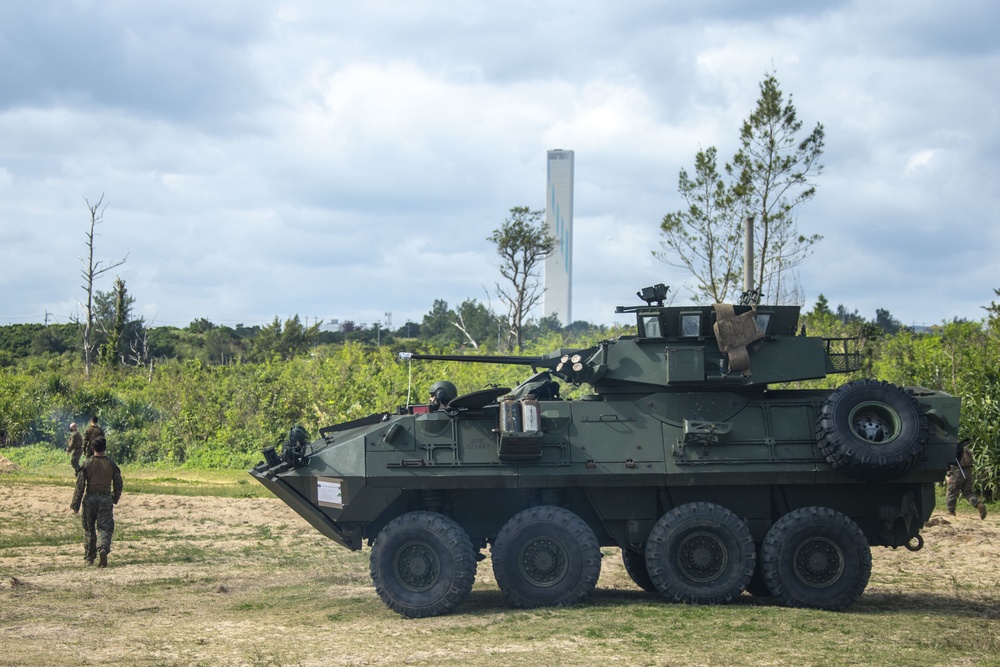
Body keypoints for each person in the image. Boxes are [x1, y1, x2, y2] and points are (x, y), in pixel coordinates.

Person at [70, 436, 123, 567]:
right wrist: (115, 498)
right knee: (104, 527)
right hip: (105, 499)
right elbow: (118, 483)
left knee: (89, 529)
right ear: (105, 448)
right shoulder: (111, 464)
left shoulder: (87, 464)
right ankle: (103, 548)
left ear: (92, 448)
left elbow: (80, 485)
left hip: (90, 499)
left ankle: (89, 557)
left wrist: (75, 504)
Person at [947, 441, 987, 520]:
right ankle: (978, 504)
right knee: (968, 492)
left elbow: (949, 461)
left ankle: (951, 512)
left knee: (951, 492)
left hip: (957, 471)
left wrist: (948, 474)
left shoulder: (952, 447)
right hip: (968, 471)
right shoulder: (964, 447)